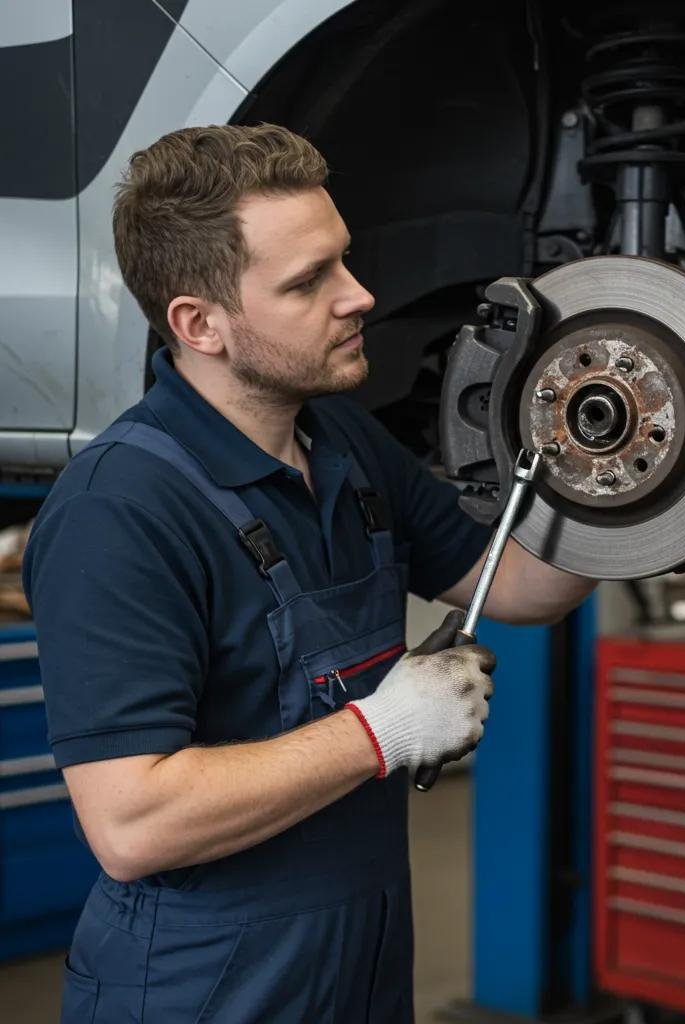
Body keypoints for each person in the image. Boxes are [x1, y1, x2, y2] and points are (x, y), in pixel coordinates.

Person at [23, 123, 594, 1023]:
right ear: (198, 324)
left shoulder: (343, 441)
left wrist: (619, 485)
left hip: (360, 963)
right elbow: (131, 826)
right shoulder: (119, 511)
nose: (359, 296)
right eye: (307, 282)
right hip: (198, 988)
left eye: (345, 260)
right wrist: (384, 729)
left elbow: (519, 585)